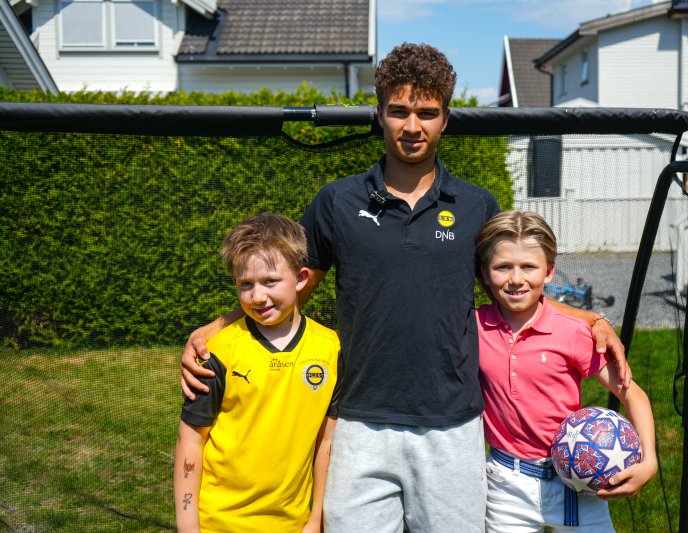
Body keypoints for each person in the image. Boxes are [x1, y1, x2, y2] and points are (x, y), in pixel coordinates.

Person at [179, 43, 629, 533]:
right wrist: (219, 326)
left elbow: (516, 293)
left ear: (445, 119)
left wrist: (591, 319)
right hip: (358, 421)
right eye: (399, 111)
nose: (412, 126)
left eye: (426, 113)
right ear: (379, 114)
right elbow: (289, 287)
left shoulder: (477, 205)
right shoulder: (336, 202)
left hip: (451, 425)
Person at [475, 211, 657, 532]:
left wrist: (650, 460)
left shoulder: (572, 332)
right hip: (505, 487)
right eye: (503, 267)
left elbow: (633, 394)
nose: (516, 278)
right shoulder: (473, 328)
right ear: (485, 274)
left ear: (549, 272)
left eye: (529, 267)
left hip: (580, 483)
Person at [173, 213, 338, 533]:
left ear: (302, 278)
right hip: (217, 523)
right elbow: (190, 442)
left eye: (270, 282)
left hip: (292, 524)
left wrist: (315, 519)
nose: (258, 296)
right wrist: (188, 526)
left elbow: (327, 443)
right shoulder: (217, 352)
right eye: (246, 285)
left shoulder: (332, 350)